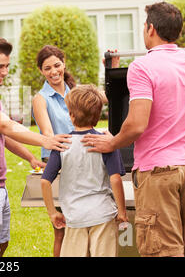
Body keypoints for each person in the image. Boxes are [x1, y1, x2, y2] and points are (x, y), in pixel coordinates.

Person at [82, 1, 185, 257]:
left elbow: (137, 124)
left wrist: (111, 143)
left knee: (164, 251)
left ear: (150, 29)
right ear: (178, 32)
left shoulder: (142, 66)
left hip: (158, 173)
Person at [0, 37, 72, 257]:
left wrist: (29, 157)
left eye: (7, 66)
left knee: (0, 246)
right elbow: (6, 126)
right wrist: (45, 140)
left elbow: (1, 133)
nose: (5, 72)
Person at [41, 84, 127, 257]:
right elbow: (115, 179)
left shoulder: (62, 144)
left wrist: (52, 212)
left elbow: (45, 181)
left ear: (71, 115)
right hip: (103, 214)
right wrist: (122, 212)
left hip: (74, 216)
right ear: (97, 117)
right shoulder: (106, 142)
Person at [31, 45, 76, 257]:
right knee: (62, 230)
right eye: (47, 68)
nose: (53, 71)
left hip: (81, 162)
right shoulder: (41, 99)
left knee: (82, 227)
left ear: (64, 63)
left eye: (57, 65)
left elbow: (104, 98)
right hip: (58, 164)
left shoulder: (76, 93)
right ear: (41, 70)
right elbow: (48, 135)